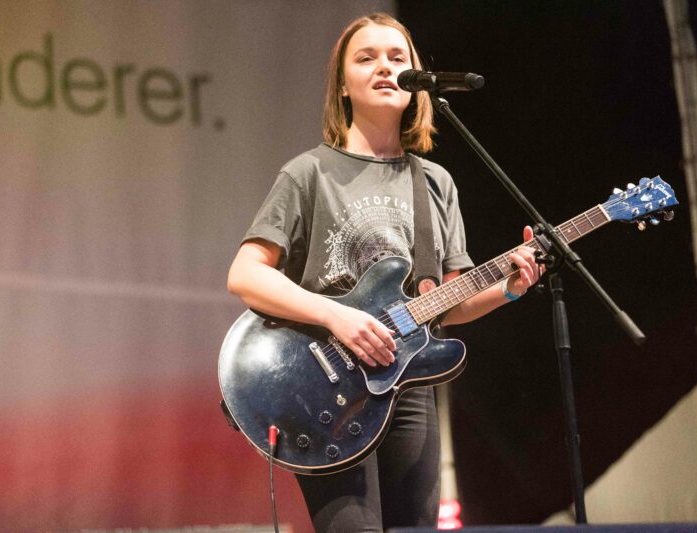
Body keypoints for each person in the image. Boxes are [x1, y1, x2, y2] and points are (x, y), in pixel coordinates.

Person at [227, 12, 541, 532]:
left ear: (416, 82)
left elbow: (448, 304)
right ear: (342, 85)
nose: (384, 67)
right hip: (323, 385)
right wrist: (338, 317)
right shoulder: (309, 173)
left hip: (407, 385)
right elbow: (246, 275)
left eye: (398, 58)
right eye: (366, 58)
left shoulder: (435, 182)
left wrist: (508, 288)